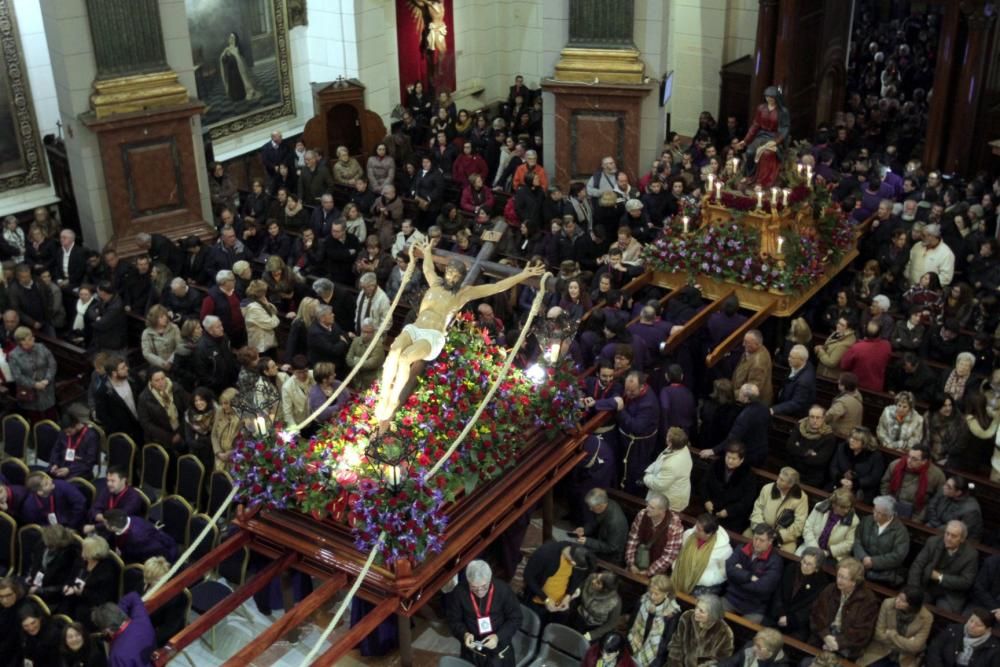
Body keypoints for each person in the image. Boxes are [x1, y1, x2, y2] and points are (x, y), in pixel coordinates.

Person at [375, 240, 544, 426]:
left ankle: (394, 400)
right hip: (416, 327)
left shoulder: (464, 293)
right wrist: (428, 252)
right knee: (394, 351)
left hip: (432, 335)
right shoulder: (436, 284)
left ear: (461, 278)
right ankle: (384, 395)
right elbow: (428, 268)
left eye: (456, 275)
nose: (451, 277)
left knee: (405, 358)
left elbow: (497, 287)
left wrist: (522, 275)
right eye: (449, 272)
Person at [808, 557, 879, 661]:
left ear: (854, 581)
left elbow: (862, 632)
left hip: (847, 645)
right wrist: (825, 635)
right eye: (838, 575)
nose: (838, 580)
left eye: (843, 577)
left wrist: (838, 643)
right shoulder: (830, 589)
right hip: (822, 637)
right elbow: (816, 614)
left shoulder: (868, 600)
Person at [907, 519, 978, 613]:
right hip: (927, 586)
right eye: (947, 533)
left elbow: (966, 582)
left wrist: (941, 577)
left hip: (950, 594)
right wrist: (914, 589)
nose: (948, 538)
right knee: (910, 603)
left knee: (943, 614)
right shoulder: (933, 542)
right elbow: (917, 565)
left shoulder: (971, 555)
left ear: (962, 539)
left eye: (953, 536)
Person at [723, 523, 783, 622]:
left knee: (746, 632)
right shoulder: (741, 548)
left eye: (762, 540)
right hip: (731, 598)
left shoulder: (775, 561)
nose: (757, 543)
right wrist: (749, 577)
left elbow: (763, 588)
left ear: (770, 541)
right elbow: (729, 570)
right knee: (713, 615)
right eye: (755, 538)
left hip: (754, 607)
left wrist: (738, 577)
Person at [859, 587, 933, 667]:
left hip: (904, 659)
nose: (897, 601)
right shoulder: (888, 603)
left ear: (912, 605)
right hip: (881, 651)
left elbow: (916, 646)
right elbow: (879, 634)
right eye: (898, 596)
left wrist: (891, 634)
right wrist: (907, 643)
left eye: (902, 601)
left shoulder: (926, 617)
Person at [764, 547, 826, 642]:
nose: (804, 566)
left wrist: (791, 619)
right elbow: (778, 593)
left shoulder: (821, 583)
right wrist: (780, 613)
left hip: (798, 624)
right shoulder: (791, 568)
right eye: (803, 561)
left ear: (817, 568)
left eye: (809, 564)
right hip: (777, 614)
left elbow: (811, 608)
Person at [522, 541, 592, 625]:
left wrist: (568, 596)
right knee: (533, 626)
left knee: (555, 630)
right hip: (538, 601)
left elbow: (576, 578)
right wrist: (546, 599)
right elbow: (528, 576)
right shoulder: (545, 552)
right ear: (573, 563)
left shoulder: (580, 555)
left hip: (562, 604)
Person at [852, 495, 910, 587]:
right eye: (874, 510)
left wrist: (873, 562)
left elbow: (898, 556)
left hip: (884, 573)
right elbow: (857, 540)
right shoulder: (867, 520)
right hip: (861, 564)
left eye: (879, 513)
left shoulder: (900, 531)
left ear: (889, 515)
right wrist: (863, 557)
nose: (874, 514)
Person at [746, 467, 808, 552]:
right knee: (745, 537)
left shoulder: (801, 498)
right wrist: (761, 529)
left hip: (784, 538)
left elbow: (799, 524)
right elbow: (757, 510)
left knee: (787, 552)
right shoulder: (767, 488)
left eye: (782, 480)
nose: (777, 481)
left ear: (790, 485)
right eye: (779, 477)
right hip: (760, 529)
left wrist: (778, 536)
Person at [624, 492, 684, 577]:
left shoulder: (674, 525)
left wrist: (649, 572)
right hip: (638, 560)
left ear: (662, 511)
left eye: (652, 508)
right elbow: (633, 540)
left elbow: (669, 556)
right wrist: (631, 563)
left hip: (657, 570)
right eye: (647, 505)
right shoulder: (642, 514)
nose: (647, 509)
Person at [666, 594, 734, 667]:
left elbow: (721, 661)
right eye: (697, 607)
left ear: (712, 615)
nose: (696, 612)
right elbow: (676, 645)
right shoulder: (687, 617)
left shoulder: (725, 633)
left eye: (701, 611)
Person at [701, 441, 755, 532]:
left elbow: (747, 501)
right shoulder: (716, 465)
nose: (729, 461)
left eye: (734, 459)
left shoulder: (748, 475)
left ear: (741, 460)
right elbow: (704, 483)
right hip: (711, 510)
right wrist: (706, 500)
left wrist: (729, 511)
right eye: (728, 457)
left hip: (732, 518)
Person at [880, 444, 945, 520]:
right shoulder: (896, 465)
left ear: (924, 461)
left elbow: (938, 499)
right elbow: (885, 483)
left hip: (918, 513)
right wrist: (888, 501)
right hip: (892, 504)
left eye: (914, 459)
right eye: (909, 456)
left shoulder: (937, 475)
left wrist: (921, 516)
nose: (909, 461)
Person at [627, 574, 680, 667]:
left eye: (656, 594)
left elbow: (667, 640)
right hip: (633, 643)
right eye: (650, 592)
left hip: (654, 653)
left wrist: (656, 657)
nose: (652, 597)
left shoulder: (671, 613)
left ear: (666, 594)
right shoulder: (642, 601)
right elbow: (631, 624)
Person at [91, 592, 156, 667]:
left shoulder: (116, 656)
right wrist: (115, 615)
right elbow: (133, 596)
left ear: (107, 630)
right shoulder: (141, 620)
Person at [8, 326, 57, 421]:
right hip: (29, 392)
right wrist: (34, 384)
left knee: (51, 415)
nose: (33, 339)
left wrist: (47, 379)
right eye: (29, 338)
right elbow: (17, 376)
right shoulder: (13, 356)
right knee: (36, 419)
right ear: (21, 341)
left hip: (46, 388)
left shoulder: (41, 347)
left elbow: (52, 364)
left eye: (32, 337)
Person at [926, 608, 1000, 666]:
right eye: (971, 621)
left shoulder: (994, 649)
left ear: (988, 630)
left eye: (978, 625)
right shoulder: (953, 630)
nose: (972, 626)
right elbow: (934, 649)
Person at [799, 487, 860, 559]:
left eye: (848, 507)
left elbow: (849, 543)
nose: (847, 511)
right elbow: (807, 528)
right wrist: (815, 549)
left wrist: (829, 552)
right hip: (811, 545)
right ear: (834, 504)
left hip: (833, 556)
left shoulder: (854, 520)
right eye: (843, 507)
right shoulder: (819, 506)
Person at [642, 427, 692, 513]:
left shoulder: (672, 465)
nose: (666, 437)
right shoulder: (681, 447)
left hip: (670, 501)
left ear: (670, 443)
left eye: (667, 437)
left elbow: (659, 485)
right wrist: (649, 470)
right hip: (672, 488)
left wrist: (646, 476)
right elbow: (660, 460)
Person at [829, 426, 885, 503]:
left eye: (856, 440)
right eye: (851, 437)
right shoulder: (842, 447)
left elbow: (874, 478)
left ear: (864, 443)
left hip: (862, 490)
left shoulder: (875, 456)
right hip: (839, 484)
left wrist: (855, 483)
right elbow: (833, 466)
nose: (851, 441)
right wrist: (840, 479)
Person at [104, 508, 178, 564]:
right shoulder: (130, 519)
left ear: (113, 528)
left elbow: (142, 556)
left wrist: (122, 554)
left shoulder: (139, 539)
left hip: (161, 558)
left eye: (105, 524)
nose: (104, 525)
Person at [574, 487, 628, 564]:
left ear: (600, 505)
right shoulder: (605, 505)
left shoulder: (615, 522)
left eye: (592, 507)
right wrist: (584, 530)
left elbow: (612, 547)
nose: (590, 509)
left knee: (577, 555)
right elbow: (595, 521)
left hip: (610, 557)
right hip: (601, 540)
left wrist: (588, 542)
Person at [786, 405, 837, 488]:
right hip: (793, 469)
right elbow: (790, 446)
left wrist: (798, 449)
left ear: (823, 418)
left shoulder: (829, 437)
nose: (814, 420)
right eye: (812, 417)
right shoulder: (799, 427)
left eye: (818, 418)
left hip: (811, 477)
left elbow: (819, 460)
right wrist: (808, 452)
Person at [926, 475, 984, 542]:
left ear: (958, 493)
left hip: (961, 539)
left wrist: (937, 528)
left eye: (949, 487)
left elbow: (959, 530)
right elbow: (931, 505)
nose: (944, 487)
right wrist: (935, 523)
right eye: (945, 484)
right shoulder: (944, 490)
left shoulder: (971, 510)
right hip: (938, 525)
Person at [840, 320, 892, 391]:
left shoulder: (857, 347)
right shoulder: (887, 346)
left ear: (865, 331)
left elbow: (844, 365)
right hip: (876, 388)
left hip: (856, 388)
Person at [572, 571, 623, 642]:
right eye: (596, 578)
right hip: (578, 616)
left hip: (593, 627)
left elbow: (611, 624)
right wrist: (577, 591)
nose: (593, 581)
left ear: (605, 590)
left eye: (598, 583)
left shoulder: (615, 602)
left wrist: (592, 635)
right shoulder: (591, 578)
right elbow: (581, 587)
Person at [49, 413, 100, 481]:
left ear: (77, 425)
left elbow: (90, 461)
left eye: (69, 432)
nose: (67, 434)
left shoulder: (91, 436)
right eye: (65, 432)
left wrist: (69, 470)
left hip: (79, 470)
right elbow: (56, 449)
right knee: (44, 481)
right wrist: (55, 463)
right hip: (62, 464)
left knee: (61, 486)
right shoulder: (64, 432)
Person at [771, 345, 816, 417]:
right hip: (784, 400)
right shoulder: (799, 364)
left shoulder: (804, 381)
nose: (789, 359)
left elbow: (796, 403)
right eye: (789, 356)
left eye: (792, 358)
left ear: (802, 360)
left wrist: (774, 409)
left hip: (792, 413)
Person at [731, 330, 773, 404]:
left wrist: (731, 394)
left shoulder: (758, 363)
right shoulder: (752, 350)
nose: (743, 344)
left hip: (752, 403)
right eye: (744, 341)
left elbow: (751, 390)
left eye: (747, 343)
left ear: (757, 344)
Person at [19, 601, 62, 667]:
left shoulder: (53, 634)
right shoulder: (24, 635)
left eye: (33, 623)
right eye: (26, 625)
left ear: (40, 618)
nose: (31, 628)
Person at [718, 628, 788, 667]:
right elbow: (731, 662)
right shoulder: (750, 646)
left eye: (759, 647)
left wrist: (761, 660)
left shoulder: (781, 665)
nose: (754, 648)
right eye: (755, 643)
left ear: (770, 652)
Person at [824, 372, 864, 441]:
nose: (837, 382)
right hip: (853, 433)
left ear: (843, 386)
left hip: (841, 435)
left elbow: (830, 415)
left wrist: (820, 420)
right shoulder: (857, 396)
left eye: (839, 382)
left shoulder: (843, 402)